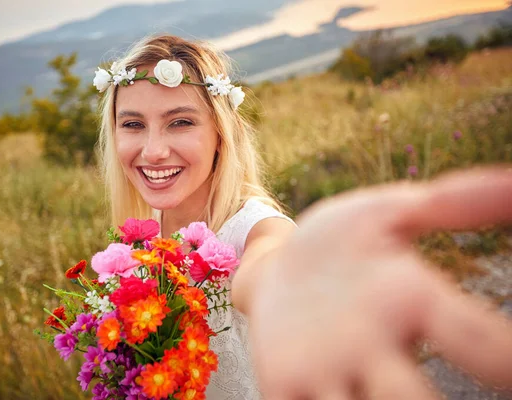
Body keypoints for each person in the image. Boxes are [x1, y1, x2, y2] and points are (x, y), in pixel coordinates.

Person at [93, 34, 512, 399]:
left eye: (179, 122)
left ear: (221, 134)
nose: (152, 151)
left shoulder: (254, 230)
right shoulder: (144, 234)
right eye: (133, 124)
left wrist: (287, 278)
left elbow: (268, 263)